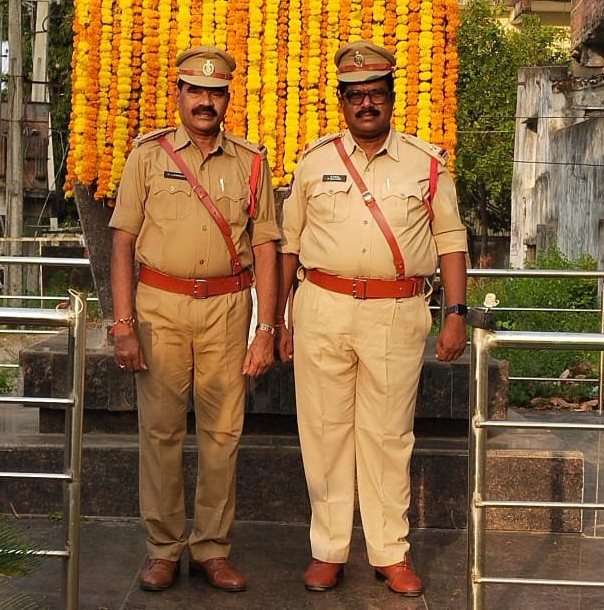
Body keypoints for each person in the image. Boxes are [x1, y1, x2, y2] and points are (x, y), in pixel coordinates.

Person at [277, 39, 468, 597]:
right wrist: (278, 320)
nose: (366, 104)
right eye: (355, 96)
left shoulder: (426, 163)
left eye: (375, 94)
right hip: (322, 307)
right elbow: (290, 244)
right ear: (342, 102)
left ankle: (390, 551)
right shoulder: (315, 162)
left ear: (390, 98)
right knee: (324, 433)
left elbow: (451, 239)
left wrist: (454, 314)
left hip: (396, 310)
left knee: (388, 436)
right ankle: (328, 549)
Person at [109, 45, 281, 594]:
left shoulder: (252, 162)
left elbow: (268, 248)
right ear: (179, 95)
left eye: (217, 92)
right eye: (196, 91)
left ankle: (211, 547)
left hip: (229, 310)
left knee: (223, 434)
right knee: (159, 431)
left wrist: (266, 329)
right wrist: (122, 323)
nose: (206, 102)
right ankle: (162, 549)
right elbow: (123, 243)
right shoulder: (147, 156)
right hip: (159, 307)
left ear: (229, 97)